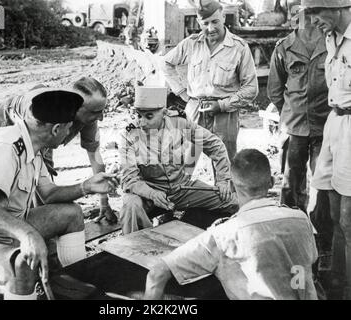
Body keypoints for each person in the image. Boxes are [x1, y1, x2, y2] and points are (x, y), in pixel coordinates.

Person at [0, 90, 119, 300]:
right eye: (68, 127)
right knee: (21, 263)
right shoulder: (7, 146)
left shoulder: (33, 146)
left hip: (2, 228)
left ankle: (72, 287)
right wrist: (27, 234)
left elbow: (49, 194)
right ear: (56, 129)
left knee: (71, 213)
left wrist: (86, 187)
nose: (69, 133)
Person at [144, 149, 318, 300]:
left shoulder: (223, 235)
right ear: (271, 183)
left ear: (232, 188)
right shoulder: (301, 219)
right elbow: (307, 264)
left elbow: (157, 274)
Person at [0, 77, 117, 223]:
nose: (101, 117)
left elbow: (95, 156)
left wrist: (104, 202)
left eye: (101, 111)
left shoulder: (89, 115)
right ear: (76, 108)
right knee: (0, 194)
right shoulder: (45, 113)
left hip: (35, 139)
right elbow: (39, 168)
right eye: (96, 112)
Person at [119, 86, 238, 235]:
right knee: (131, 206)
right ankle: (134, 251)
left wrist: (222, 180)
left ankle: (192, 224)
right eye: (139, 115)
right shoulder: (129, 134)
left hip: (181, 188)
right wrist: (152, 194)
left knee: (232, 202)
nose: (142, 122)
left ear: (164, 113)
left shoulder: (179, 123)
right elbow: (129, 180)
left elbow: (215, 145)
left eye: (149, 116)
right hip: (149, 192)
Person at [267, 7, 332, 257]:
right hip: (294, 128)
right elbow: (275, 89)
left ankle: (321, 241)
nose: (300, 17)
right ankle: (290, 236)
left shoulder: (331, 41)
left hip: (325, 127)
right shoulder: (284, 47)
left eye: (304, 11)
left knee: (322, 184)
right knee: (291, 184)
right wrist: (291, 112)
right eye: (296, 12)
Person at [162, 0, 258, 162]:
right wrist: (182, 93)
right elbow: (165, 63)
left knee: (224, 165)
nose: (211, 28)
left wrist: (222, 105)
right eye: (205, 23)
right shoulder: (191, 44)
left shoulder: (239, 47)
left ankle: (223, 188)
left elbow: (251, 89)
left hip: (225, 115)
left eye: (215, 22)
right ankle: (182, 187)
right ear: (199, 22)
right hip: (195, 110)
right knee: (186, 162)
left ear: (223, 17)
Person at [302, 0, 351, 300]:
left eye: (317, 13)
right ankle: (336, 277)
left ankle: (347, 290)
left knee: (349, 217)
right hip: (335, 122)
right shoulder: (331, 37)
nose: (313, 21)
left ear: (338, 6)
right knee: (330, 210)